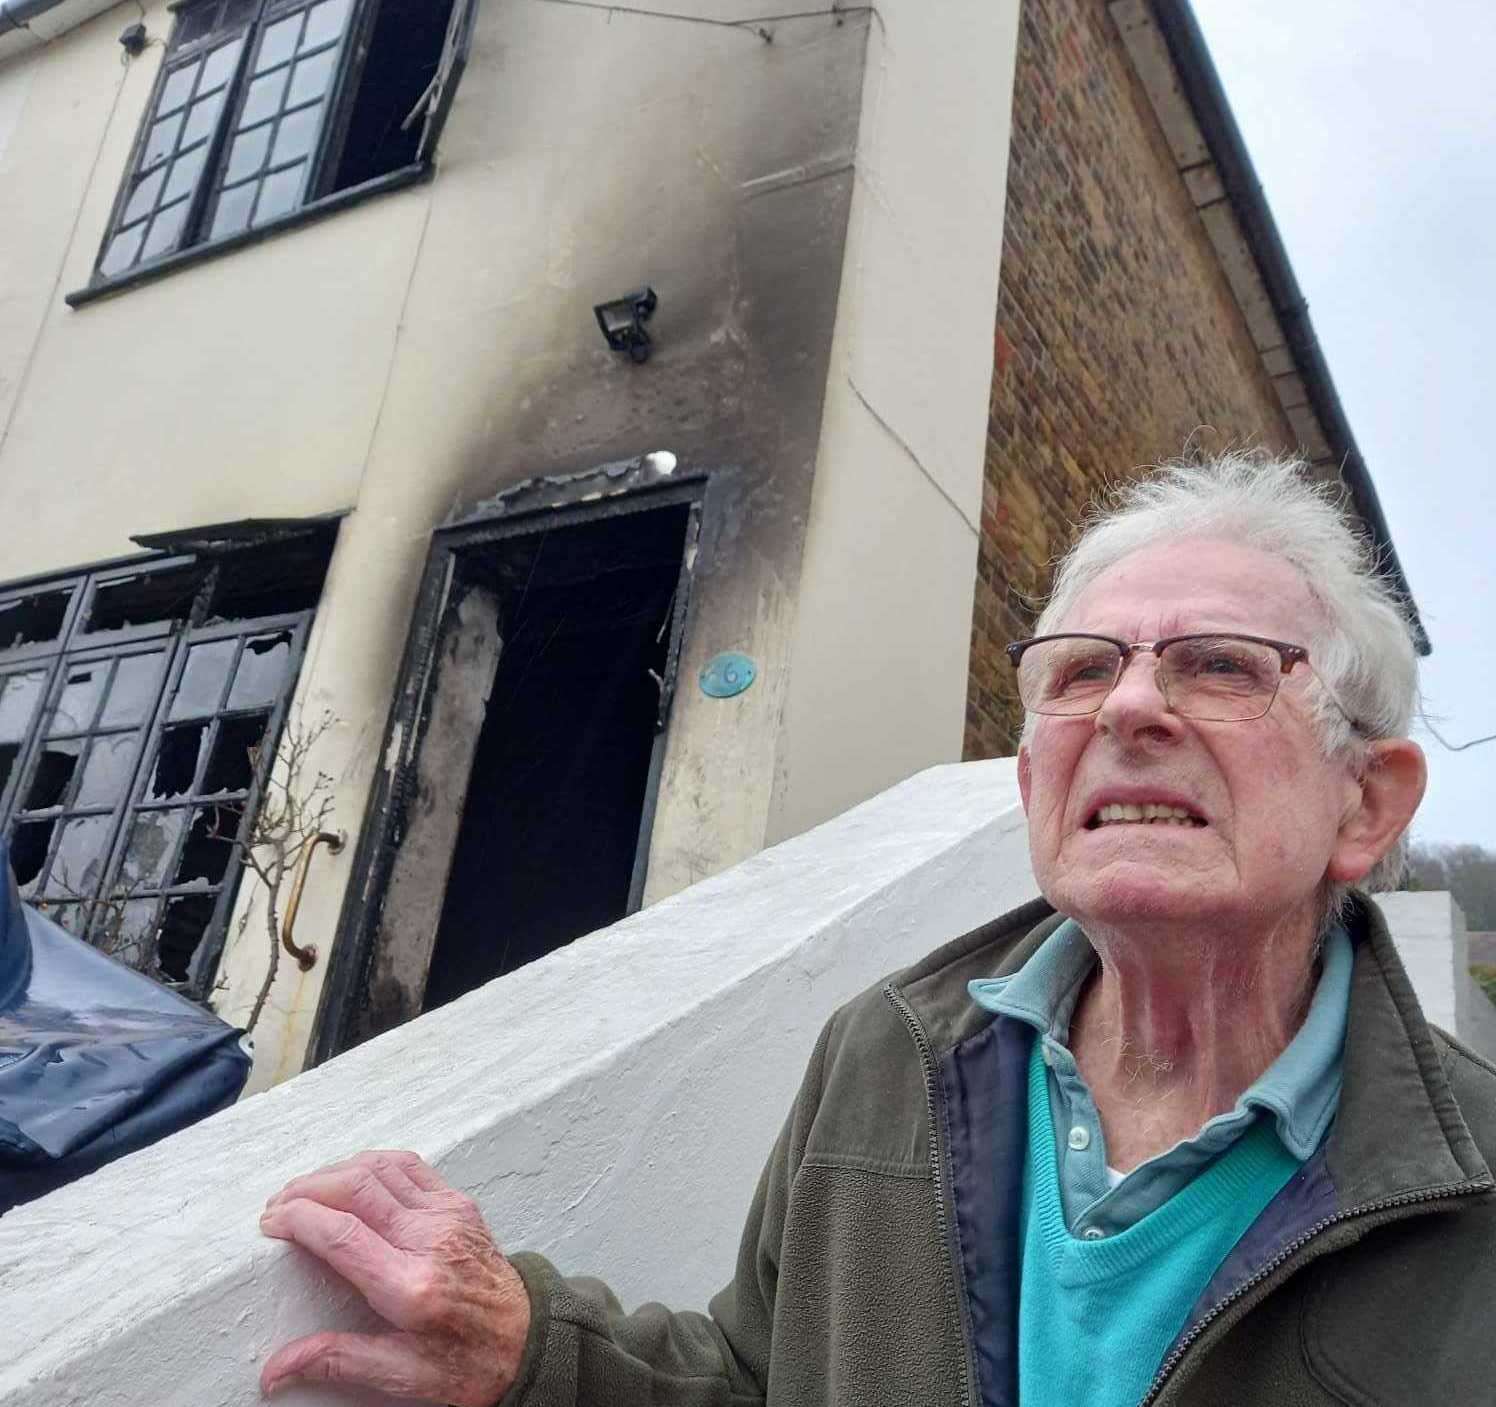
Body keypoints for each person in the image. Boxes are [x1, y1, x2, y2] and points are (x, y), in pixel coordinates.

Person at [258, 453, 1496, 1406]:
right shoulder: (886, 1052)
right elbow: (760, 1378)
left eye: (1219, 666)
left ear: (1365, 801)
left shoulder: (1471, 1181)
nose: (1126, 705)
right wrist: (530, 1348)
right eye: (1076, 672)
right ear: (1031, 783)